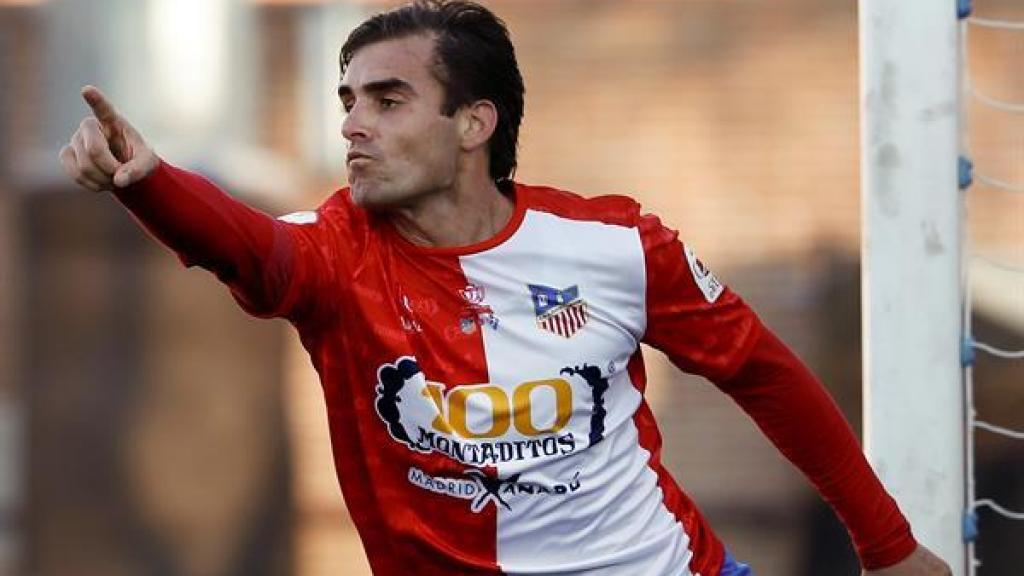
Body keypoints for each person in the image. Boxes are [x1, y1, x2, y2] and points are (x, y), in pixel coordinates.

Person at [58, 1, 953, 575]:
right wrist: (150, 181)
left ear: (473, 124)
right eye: (348, 99)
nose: (351, 125)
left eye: (387, 100)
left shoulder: (618, 245)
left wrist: (887, 545)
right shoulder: (333, 254)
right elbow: (243, 248)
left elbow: (763, 374)